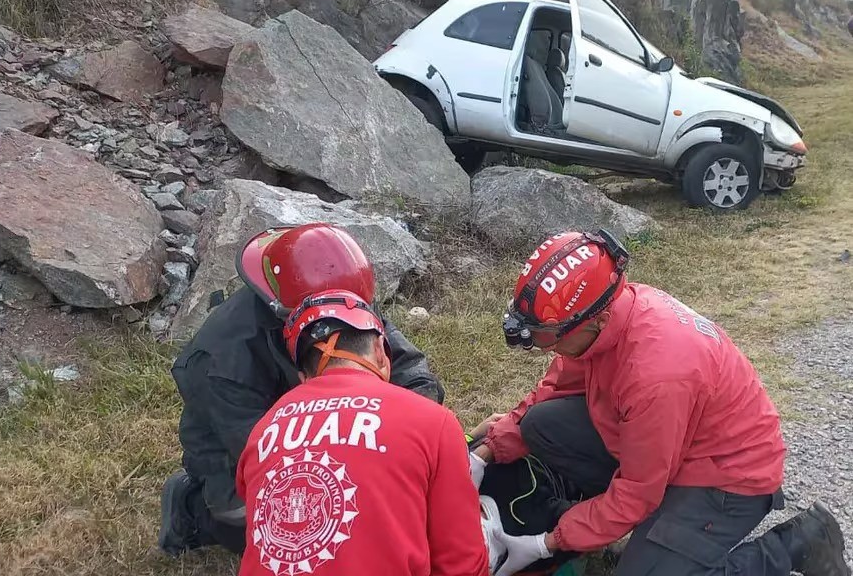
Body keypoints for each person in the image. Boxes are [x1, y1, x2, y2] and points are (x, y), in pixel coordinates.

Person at [468, 229, 850, 576]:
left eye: (548, 336)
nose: (542, 346)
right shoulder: (608, 314)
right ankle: (652, 532)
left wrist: (548, 542)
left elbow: (638, 491)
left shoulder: (656, 374)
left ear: (596, 320)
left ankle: (800, 543)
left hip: (726, 474)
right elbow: (558, 385)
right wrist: (485, 453)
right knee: (541, 424)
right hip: (670, 442)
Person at [159, 223, 445, 557]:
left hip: (327, 417)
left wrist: (411, 435)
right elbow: (269, 457)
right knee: (293, 518)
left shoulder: (342, 295)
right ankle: (191, 509)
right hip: (237, 451)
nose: (342, 326)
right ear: (286, 313)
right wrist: (362, 467)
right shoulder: (222, 361)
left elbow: (411, 373)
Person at [235, 288, 490, 576]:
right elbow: (462, 563)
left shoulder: (263, 430)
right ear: (380, 350)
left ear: (303, 378)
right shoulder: (433, 421)